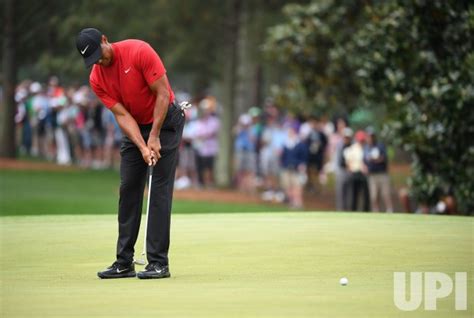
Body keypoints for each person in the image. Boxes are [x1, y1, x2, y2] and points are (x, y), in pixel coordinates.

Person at [76, 28, 185, 279]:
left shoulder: (138, 51)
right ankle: (124, 262)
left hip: (165, 121)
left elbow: (163, 94)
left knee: (158, 188)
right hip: (135, 125)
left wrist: (155, 137)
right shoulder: (97, 78)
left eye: (99, 54)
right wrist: (142, 145)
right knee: (128, 189)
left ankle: (158, 263)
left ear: (105, 40)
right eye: (92, 60)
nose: (99, 62)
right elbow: (122, 115)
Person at [363, 128, 394, 212]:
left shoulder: (380, 146)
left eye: (372, 136)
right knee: (374, 195)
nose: (371, 138)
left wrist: (374, 159)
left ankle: (390, 210)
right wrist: (365, 167)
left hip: (382, 173)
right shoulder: (366, 148)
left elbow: (383, 158)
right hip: (372, 175)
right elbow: (364, 161)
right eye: (369, 136)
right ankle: (376, 211)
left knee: (386, 193)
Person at [343, 130, 370, 212]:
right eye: (360, 140)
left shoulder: (367, 148)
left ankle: (366, 211)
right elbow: (348, 161)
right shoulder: (353, 148)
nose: (362, 141)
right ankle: (353, 211)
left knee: (366, 195)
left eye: (363, 140)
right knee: (354, 194)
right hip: (355, 173)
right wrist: (350, 169)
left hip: (364, 174)